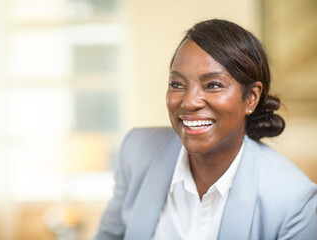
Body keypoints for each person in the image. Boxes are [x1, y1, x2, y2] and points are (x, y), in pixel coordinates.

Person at [94, 19, 317, 240]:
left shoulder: (293, 201)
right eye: (177, 84)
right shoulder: (137, 151)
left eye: (213, 85)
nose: (189, 102)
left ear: (251, 97)